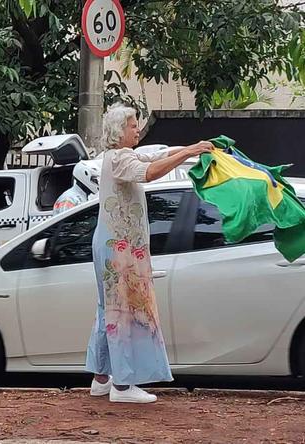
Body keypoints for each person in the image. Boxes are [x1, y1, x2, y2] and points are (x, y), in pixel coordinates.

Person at [86, 103, 213, 403]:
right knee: (124, 311)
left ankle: (102, 378)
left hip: (113, 243)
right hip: (119, 247)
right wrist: (186, 153)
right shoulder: (119, 159)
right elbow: (150, 172)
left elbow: (155, 156)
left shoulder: (118, 156)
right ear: (119, 131)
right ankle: (123, 386)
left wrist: (190, 149)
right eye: (132, 125)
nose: (137, 128)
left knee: (110, 310)